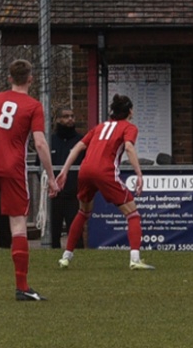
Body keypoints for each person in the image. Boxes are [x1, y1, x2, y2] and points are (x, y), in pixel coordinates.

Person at [0, 59, 59, 302]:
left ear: (9, 78)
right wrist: (51, 176)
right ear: (31, 79)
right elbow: (39, 142)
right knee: (17, 225)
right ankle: (22, 286)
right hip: (13, 169)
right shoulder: (33, 106)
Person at [56, 94, 154, 270]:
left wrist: (64, 171)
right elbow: (129, 147)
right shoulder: (129, 127)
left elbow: (78, 147)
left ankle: (66, 257)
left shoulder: (100, 127)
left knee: (83, 212)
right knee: (133, 214)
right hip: (105, 172)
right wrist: (139, 174)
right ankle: (135, 259)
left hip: (85, 171)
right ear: (130, 111)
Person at [48, 107, 84, 249]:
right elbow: (41, 165)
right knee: (53, 231)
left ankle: (78, 256)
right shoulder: (50, 141)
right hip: (54, 195)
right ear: (58, 119)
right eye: (65, 116)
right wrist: (50, 185)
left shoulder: (81, 142)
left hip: (73, 195)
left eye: (72, 116)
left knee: (75, 230)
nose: (70, 119)